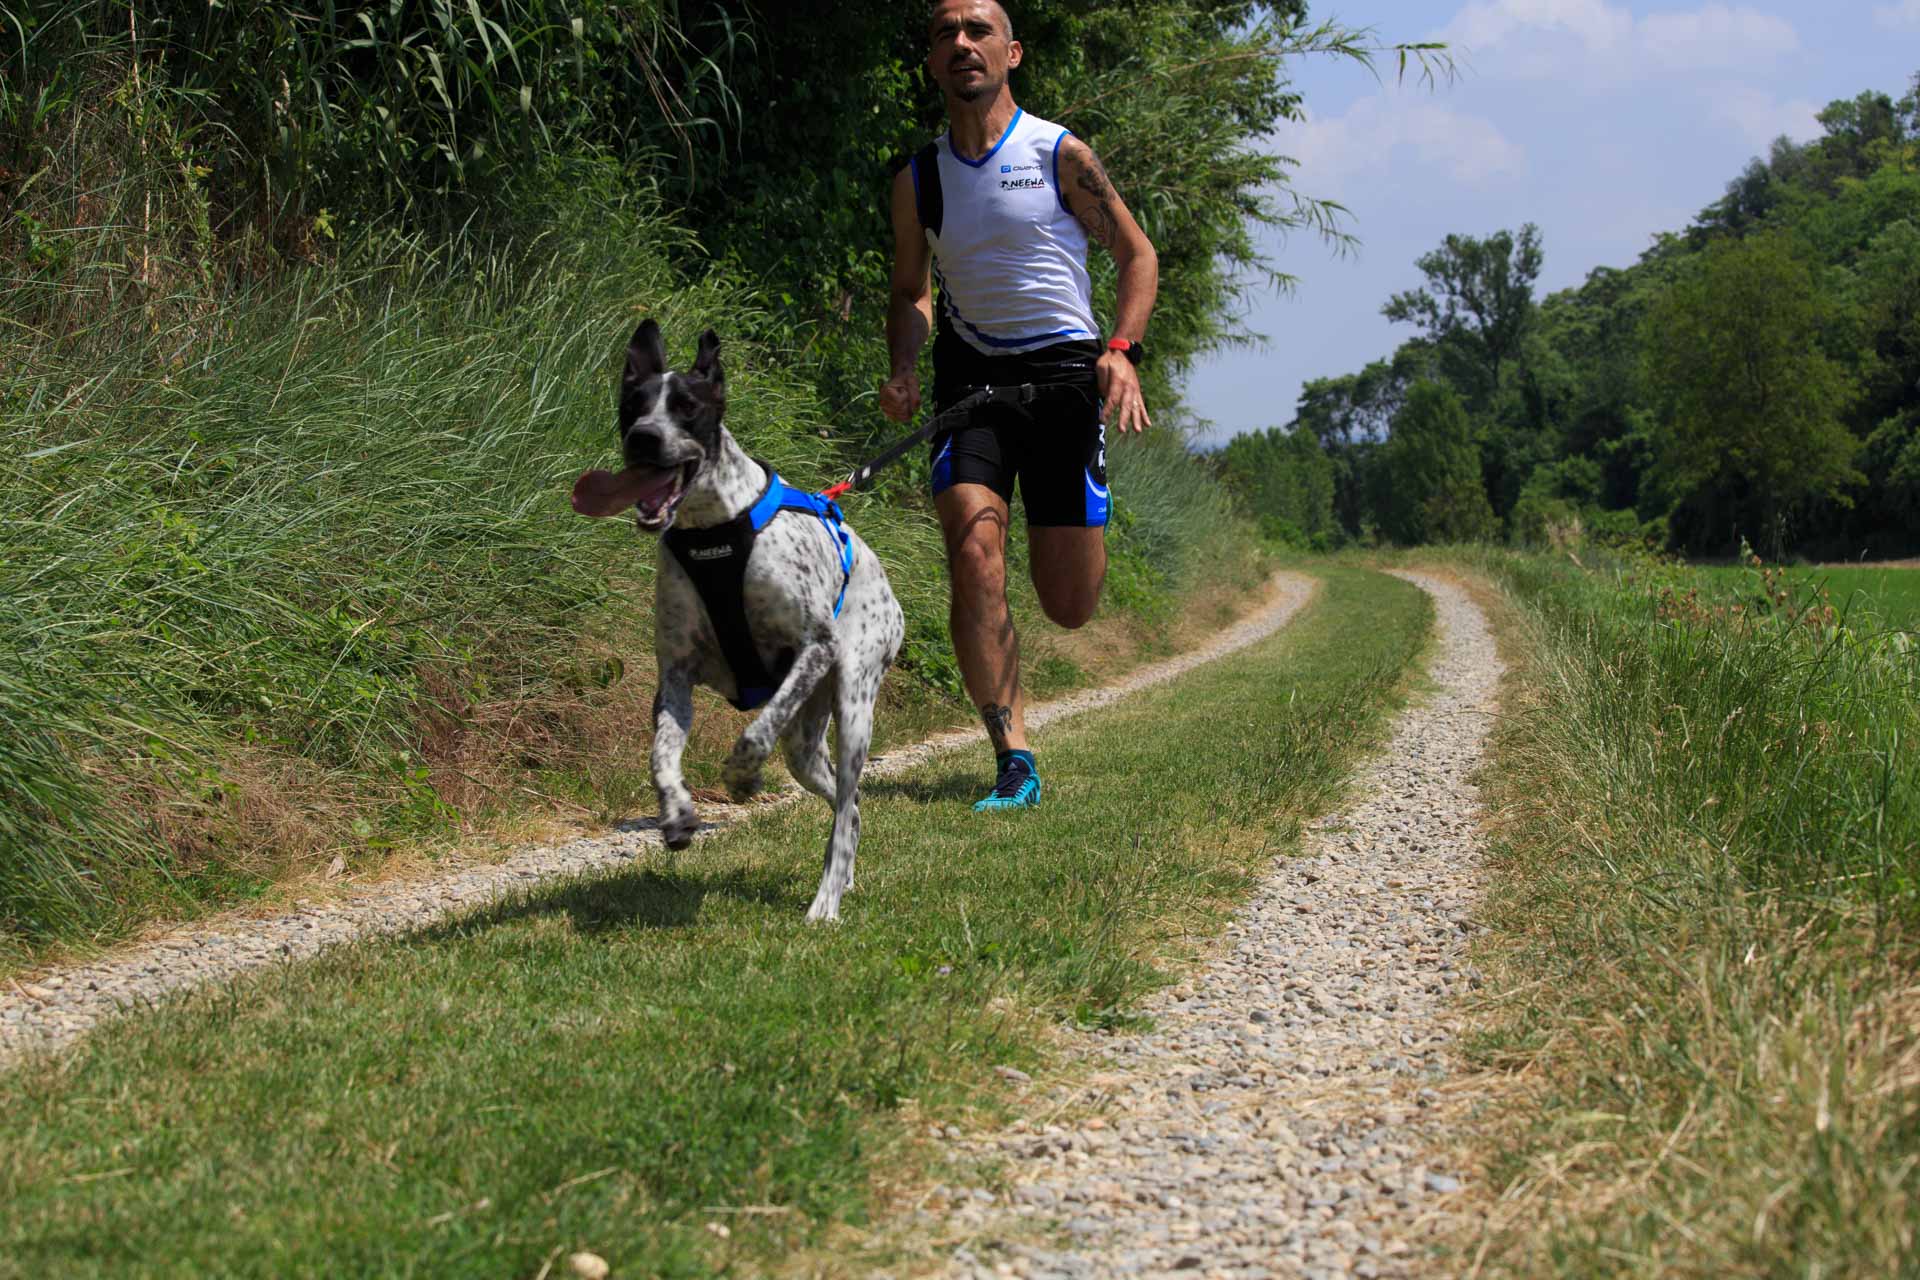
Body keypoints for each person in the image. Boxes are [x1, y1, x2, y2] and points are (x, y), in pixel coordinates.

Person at [880, 0, 1159, 812]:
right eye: (944, 34)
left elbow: (1137, 257)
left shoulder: (1058, 154)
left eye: (978, 32)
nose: (962, 45)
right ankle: (1014, 757)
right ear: (931, 62)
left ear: (1013, 52)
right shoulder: (918, 178)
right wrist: (903, 364)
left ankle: (1023, 724)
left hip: (1067, 382)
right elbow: (910, 291)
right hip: (972, 388)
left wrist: (1121, 352)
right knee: (973, 554)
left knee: (1069, 605)